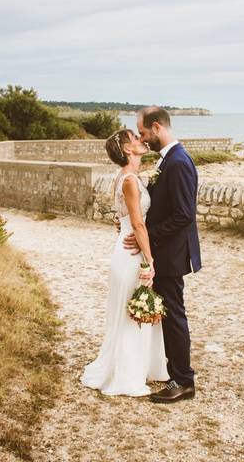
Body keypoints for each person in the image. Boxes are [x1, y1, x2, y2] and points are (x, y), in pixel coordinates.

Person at [81, 129, 168, 396]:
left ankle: (137, 367)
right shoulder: (129, 180)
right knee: (132, 312)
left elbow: (125, 219)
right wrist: (150, 261)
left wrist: (123, 226)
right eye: (135, 139)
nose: (142, 141)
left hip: (124, 247)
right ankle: (126, 376)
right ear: (128, 149)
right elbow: (138, 223)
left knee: (129, 311)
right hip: (131, 254)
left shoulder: (124, 177)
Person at [124, 106, 201, 403]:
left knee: (174, 316)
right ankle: (174, 373)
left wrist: (148, 235)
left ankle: (183, 381)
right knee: (169, 315)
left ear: (156, 127)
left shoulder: (178, 162)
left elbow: (184, 215)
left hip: (172, 253)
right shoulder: (168, 159)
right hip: (166, 251)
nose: (143, 138)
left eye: (143, 133)